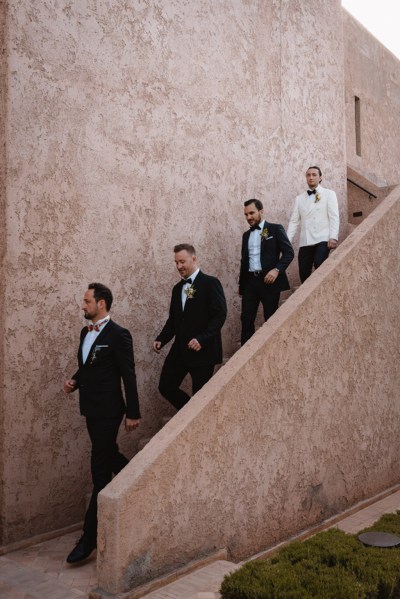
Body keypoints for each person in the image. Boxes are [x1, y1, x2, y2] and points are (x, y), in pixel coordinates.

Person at [64, 282, 141, 564]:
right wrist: (75, 380)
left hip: (110, 410)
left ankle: (89, 538)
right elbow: (88, 366)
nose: (82, 306)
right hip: (90, 410)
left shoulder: (119, 335)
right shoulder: (86, 331)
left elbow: (128, 375)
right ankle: (136, 475)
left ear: (101, 304)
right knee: (108, 456)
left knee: (98, 470)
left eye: (86, 301)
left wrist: (133, 412)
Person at [153, 244, 227, 411]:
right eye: (176, 262)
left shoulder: (211, 283)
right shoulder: (177, 289)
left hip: (204, 351)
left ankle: (196, 421)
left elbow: (219, 315)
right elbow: (174, 319)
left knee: (201, 396)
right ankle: (189, 412)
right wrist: (161, 339)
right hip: (180, 349)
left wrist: (202, 338)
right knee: (166, 386)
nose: (179, 266)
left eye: (182, 261)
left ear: (193, 259)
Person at [239, 199, 294, 345]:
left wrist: (276, 270)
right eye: (246, 214)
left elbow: (289, 253)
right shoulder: (246, 235)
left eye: (252, 213)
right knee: (246, 319)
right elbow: (244, 261)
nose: (249, 217)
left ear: (261, 211)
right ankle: (245, 356)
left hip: (269, 281)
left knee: (270, 318)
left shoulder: (275, 229)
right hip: (250, 282)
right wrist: (242, 287)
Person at [287, 166, 340, 283]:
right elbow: (294, 221)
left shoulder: (329, 194)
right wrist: (286, 241)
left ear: (320, 177)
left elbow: (334, 216)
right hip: (305, 241)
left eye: (314, 175)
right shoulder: (299, 199)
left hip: (323, 238)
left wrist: (333, 236)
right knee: (304, 272)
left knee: (319, 264)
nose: (311, 177)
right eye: (308, 175)